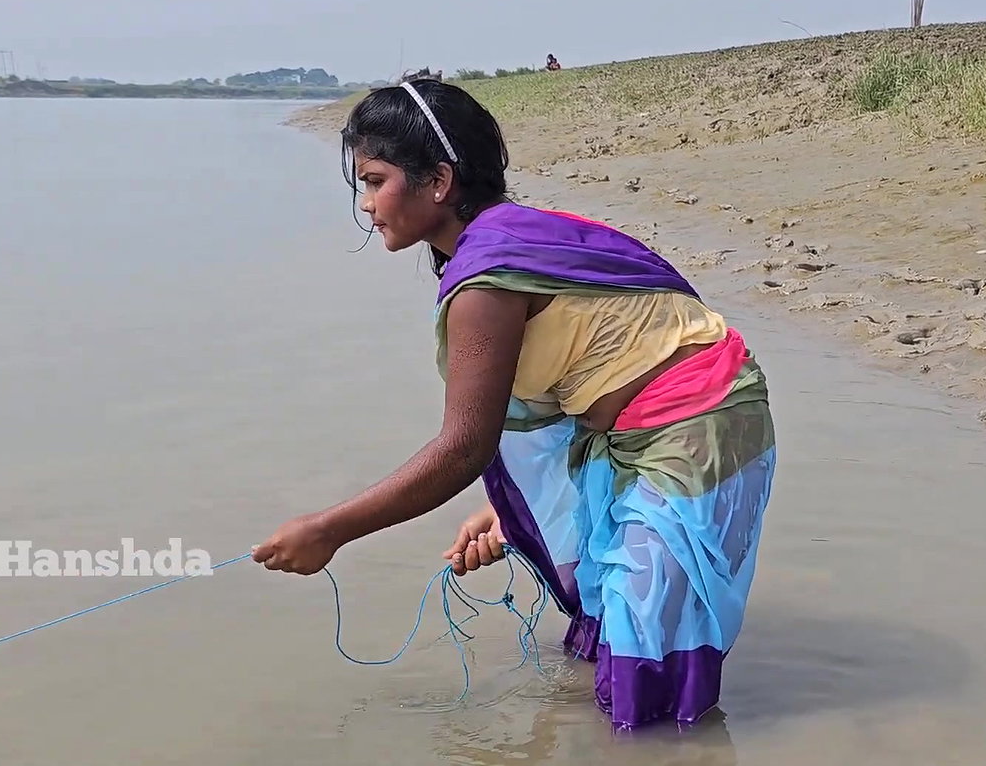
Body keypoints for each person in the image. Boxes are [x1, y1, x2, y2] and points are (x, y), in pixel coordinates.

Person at [251, 79, 777, 732]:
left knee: (647, 671)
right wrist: (506, 513)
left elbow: (462, 449)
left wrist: (329, 531)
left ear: (438, 181)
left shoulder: (488, 277)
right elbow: (584, 373)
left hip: (698, 427)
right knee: (608, 642)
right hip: (642, 433)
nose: (366, 204)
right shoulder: (513, 243)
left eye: (376, 181)